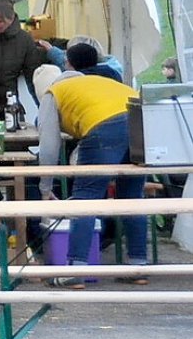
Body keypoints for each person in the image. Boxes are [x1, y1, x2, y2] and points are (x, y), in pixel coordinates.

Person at [36, 43, 147, 286]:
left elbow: (49, 147)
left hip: (104, 128)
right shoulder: (104, 82)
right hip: (143, 123)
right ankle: (138, 265)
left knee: (85, 198)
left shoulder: (53, 93)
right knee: (133, 198)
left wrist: (45, 188)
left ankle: (76, 268)